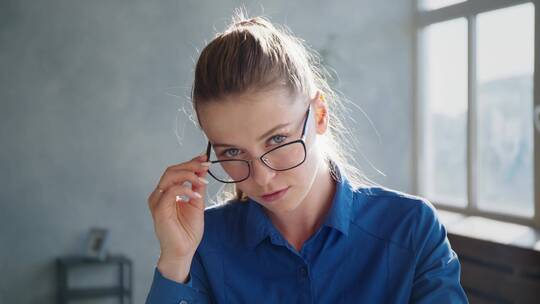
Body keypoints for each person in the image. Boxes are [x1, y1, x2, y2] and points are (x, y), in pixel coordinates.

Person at [145, 10, 468, 304]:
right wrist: (175, 259)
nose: (262, 176)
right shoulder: (203, 242)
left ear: (320, 114)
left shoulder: (408, 227)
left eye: (277, 139)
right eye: (231, 151)